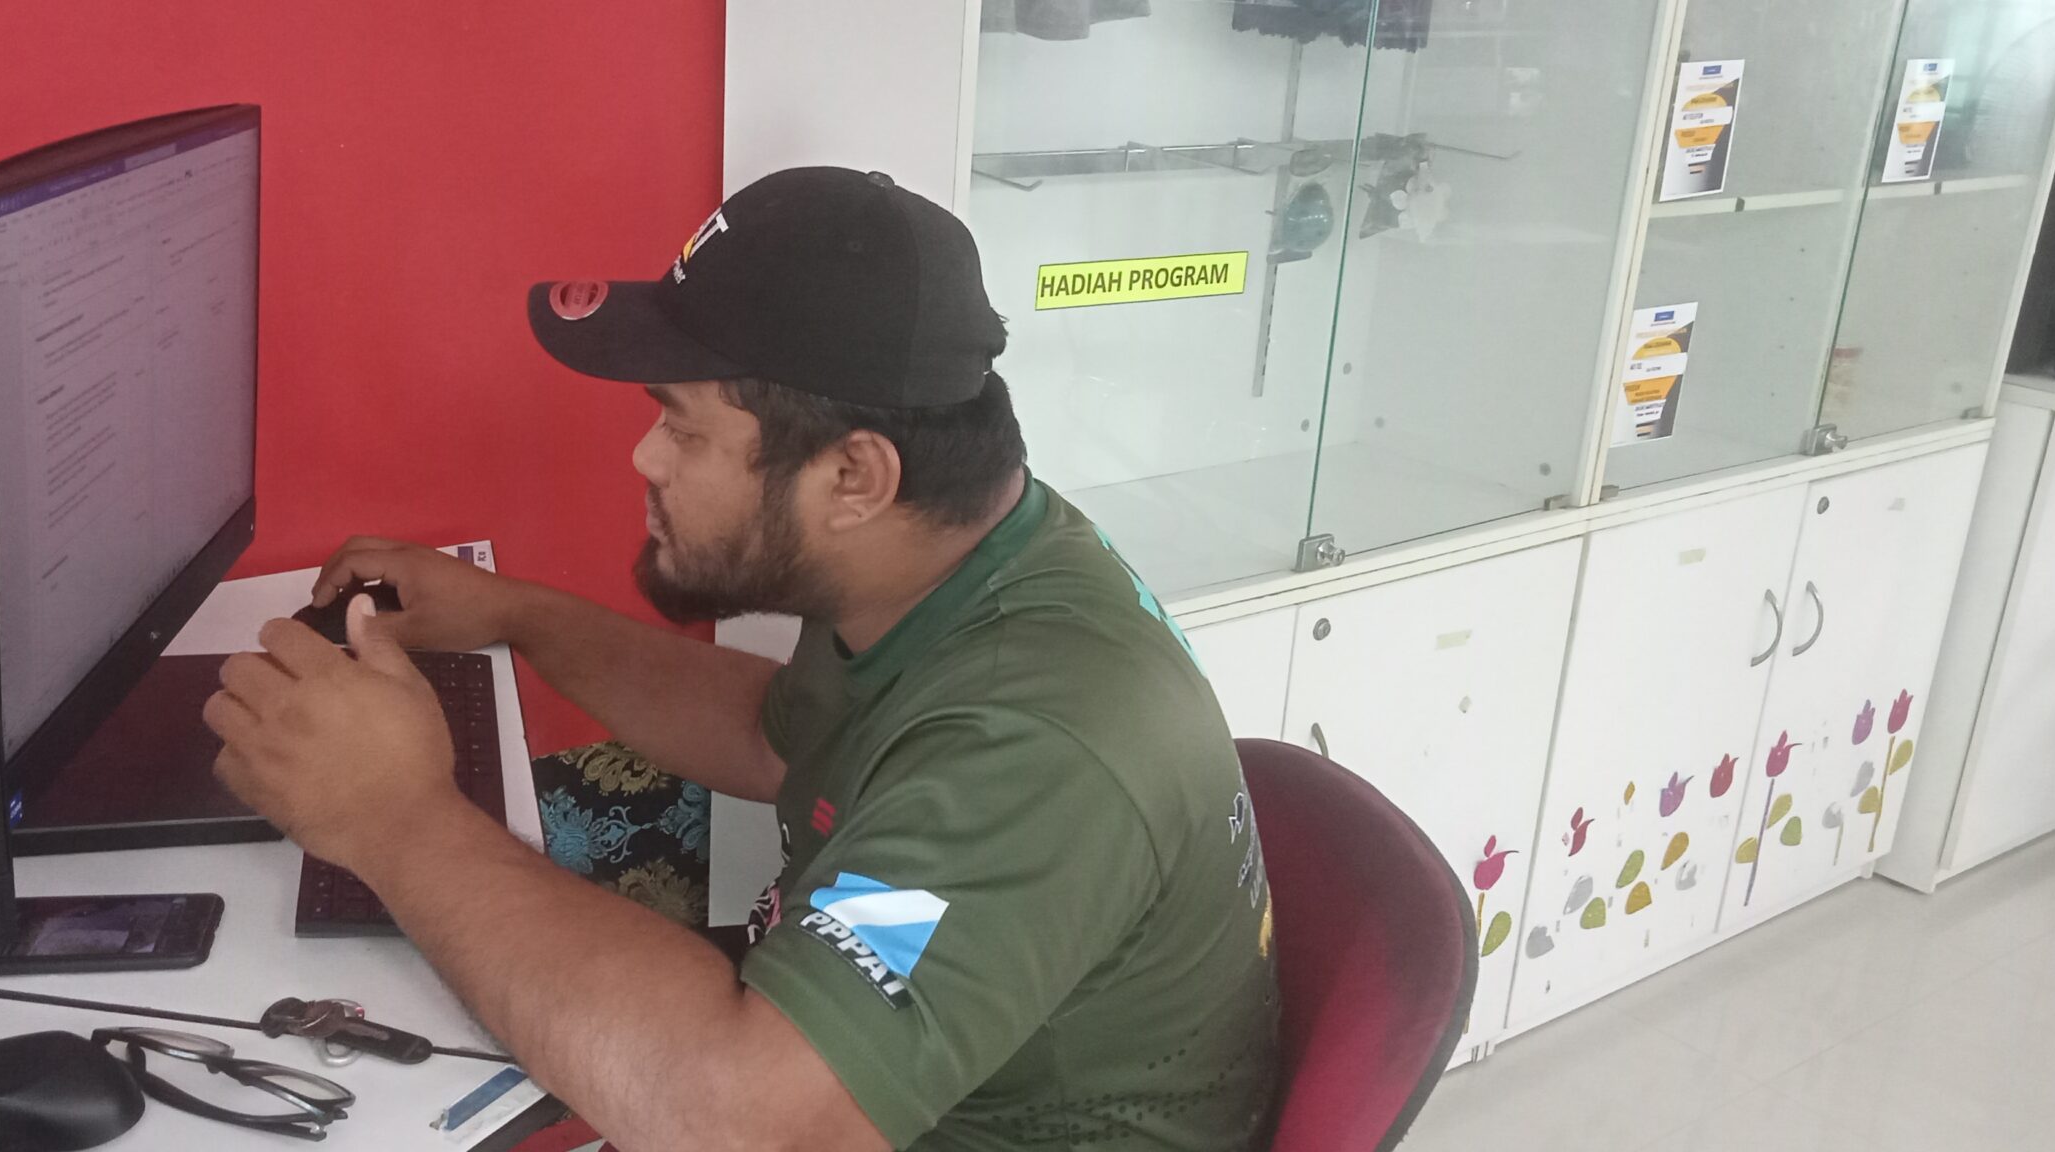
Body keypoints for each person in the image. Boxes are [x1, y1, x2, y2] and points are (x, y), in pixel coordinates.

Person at [205, 167, 1279, 1151]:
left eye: (682, 428)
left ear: (853, 477)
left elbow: (749, 1127)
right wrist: (515, 615)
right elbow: (774, 738)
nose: (644, 456)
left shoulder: (1033, 744)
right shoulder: (948, 559)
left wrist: (395, 818)